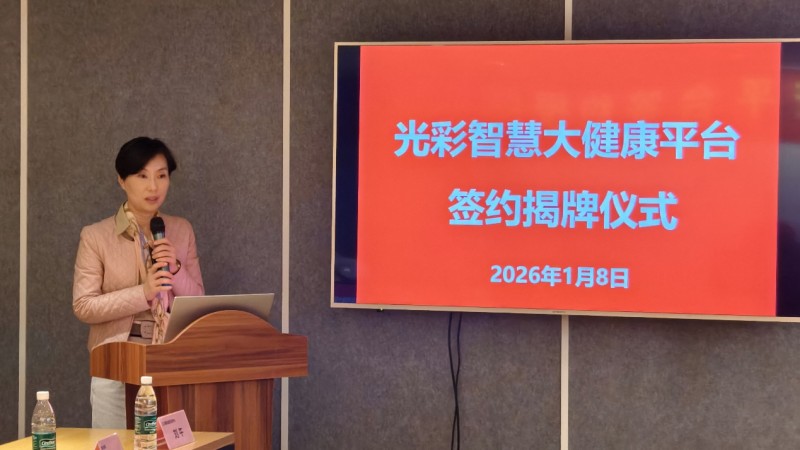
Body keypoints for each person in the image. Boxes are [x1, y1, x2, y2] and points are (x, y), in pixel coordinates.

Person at [73, 137, 204, 428]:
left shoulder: (181, 230)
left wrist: (176, 268)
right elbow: (84, 306)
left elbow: (197, 303)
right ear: (122, 180)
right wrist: (143, 293)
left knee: (171, 445)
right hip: (115, 362)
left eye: (161, 175)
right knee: (116, 444)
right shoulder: (96, 236)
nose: (153, 186)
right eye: (142, 176)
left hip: (170, 358)